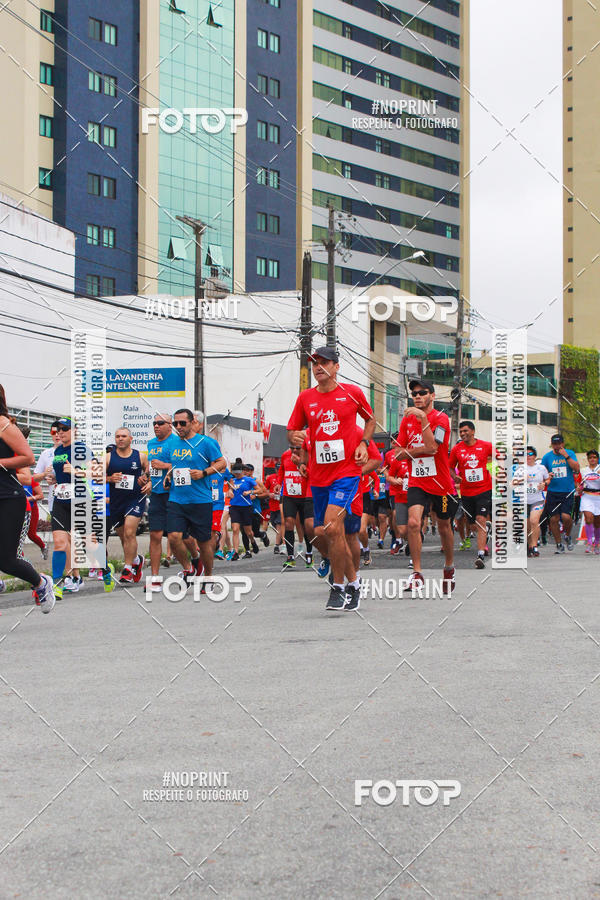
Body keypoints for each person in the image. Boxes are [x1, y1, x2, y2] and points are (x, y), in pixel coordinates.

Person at [287, 346, 375, 611]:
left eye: (324, 362)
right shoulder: (305, 398)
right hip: (319, 475)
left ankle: (337, 588)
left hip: (346, 472)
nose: (318, 367)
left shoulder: (353, 393)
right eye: (315, 363)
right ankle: (354, 583)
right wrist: (296, 439)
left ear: (337, 366)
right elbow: (293, 430)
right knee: (321, 531)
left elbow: (370, 419)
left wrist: (363, 443)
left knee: (333, 527)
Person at [395, 379, 456, 593]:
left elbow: (433, 448)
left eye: (423, 392)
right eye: (414, 393)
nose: (418, 396)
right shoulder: (406, 421)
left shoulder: (441, 419)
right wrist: (415, 451)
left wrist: (422, 420)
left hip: (440, 482)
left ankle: (449, 566)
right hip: (417, 481)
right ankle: (417, 573)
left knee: (444, 526)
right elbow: (397, 453)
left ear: (432, 395)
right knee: (413, 523)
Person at [0, 386, 55, 612]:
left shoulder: (3, 423)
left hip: (7, 497)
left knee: (7, 560)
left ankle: (41, 583)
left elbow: (28, 458)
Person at [164, 408, 226, 586]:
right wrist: (169, 475)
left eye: (182, 423)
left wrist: (204, 472)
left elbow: (222, 463)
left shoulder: (205, 443)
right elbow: (176, 465)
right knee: (174, 537)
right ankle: (189, 568)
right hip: (177, 499)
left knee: (204, 541)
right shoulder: (173, 444)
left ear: (192, 423)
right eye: (175, 423)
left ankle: (208, 576)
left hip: (200, 500)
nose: (178, 426)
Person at [105, 428, 149, 584]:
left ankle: (128, 568)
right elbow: (96, 478)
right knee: (124, 536)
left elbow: (150, 473)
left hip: (135, 499)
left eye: (123, 436)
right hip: (117, 502)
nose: (120, 439)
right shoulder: (108, 458)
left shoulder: (140, 456)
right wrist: (110, 478)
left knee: (130, 532)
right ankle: (137, 559)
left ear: (131, 438)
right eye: (117, 436)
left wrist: (148, 482)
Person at [449, 421, 493, 569]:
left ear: (473, 432)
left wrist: (497, 472)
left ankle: (480, 554)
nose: (462, 434)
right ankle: (486, 528)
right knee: (472, 525)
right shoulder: (456, 449)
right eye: (461, 432)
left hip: (484, 489)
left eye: (465, 431)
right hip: (466, 492)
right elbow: (450, 467)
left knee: (480, 519)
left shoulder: (485, 446)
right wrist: (455, 477)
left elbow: (501, 457)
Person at [144, 414, 176, 592]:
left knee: (176, 537)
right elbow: (151, 467)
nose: (156, 426)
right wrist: (147, 478)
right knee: (154, 536)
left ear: (170, 425)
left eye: (160, 423)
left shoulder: (176, 442)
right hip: (156, 494)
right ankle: (155, 577)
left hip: (174, 494)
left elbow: (183, 464)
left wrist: (165, 466)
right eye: (154, 423)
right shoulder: (151, 444)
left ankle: (191, 566)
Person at [541, 433, 580, 553]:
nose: (557, 446)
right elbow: (542, 474)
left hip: (567, 491)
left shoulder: (570, 453)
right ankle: (559, 544)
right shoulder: (547, 457)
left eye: (559, 444)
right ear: (552, 445)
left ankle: (567, 536)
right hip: (553, 492)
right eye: (555, 444)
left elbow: (577, 469)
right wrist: (548, 477)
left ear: (563, 444)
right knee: (553, 519)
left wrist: (566, 456)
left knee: (566, 517)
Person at [277, 447, 314, 569]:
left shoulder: (309, 455)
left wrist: (299, 463)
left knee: (306, 526)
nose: (294, 450)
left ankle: (309, 552)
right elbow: (282, 469)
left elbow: (313, 474)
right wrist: (279, 482)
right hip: (289, 495)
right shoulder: (285, 455)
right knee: (288, 523)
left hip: (305, 496)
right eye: (292, 447)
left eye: (297, 448)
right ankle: (290, 556)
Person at [521, 446, 550, 557]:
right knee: (527, 526)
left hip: (538, 499)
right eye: (526, 454)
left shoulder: (541, 468)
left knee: (534, 521)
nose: (528, 456)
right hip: (524, 500)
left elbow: (548, 479)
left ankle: (534, 546)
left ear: (535, 456)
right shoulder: (520, 468)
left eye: (531, 454)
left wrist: (545, 484)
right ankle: (529, 546)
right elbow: (511, 483)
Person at [227, 463, 261, 560]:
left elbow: (259, 490)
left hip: (246, 507)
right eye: (235, 473)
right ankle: (236, 552)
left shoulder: (249, 480)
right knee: (235, 529)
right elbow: (230, 490)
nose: (236, 475)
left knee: (248, 532)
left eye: (238, 473)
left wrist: (250, 492)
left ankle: (253, 542)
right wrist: (229, 492)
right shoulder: (232, 481)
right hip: (234, 507)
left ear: (242, 471)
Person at [577, 449, 600, 553]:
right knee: (588, 518)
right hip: (587, 496)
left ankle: (597, 543)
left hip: (598, 497)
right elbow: (578, 483)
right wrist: (579, 487)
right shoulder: (583, 470)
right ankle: (589, 542)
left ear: (597, 459)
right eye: (590, 457)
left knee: (597, 522)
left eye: (594, 457)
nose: (592, 459)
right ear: (588, 459)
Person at [263, 467, 284, 553]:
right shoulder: (270, 478)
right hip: (272, 506)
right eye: (277, 468)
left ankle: (277, 545)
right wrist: (269, 494)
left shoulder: (284, 478)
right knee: (274, 524)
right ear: (275, 469)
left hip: (282, 505)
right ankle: (282, 537)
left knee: (279, 525)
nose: (279, 470)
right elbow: (265, 490)